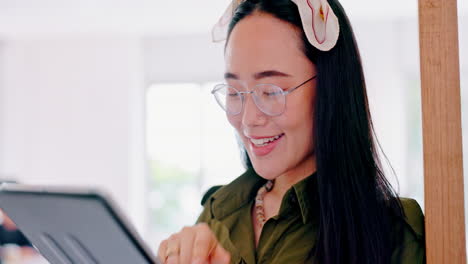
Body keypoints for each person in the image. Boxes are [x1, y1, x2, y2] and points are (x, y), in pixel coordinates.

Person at [157, 0, 425, 263]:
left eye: (271, 91)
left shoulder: (394, 232)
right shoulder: (216, 217)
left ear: (330, 91)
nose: (249, 119)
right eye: (234, 91)